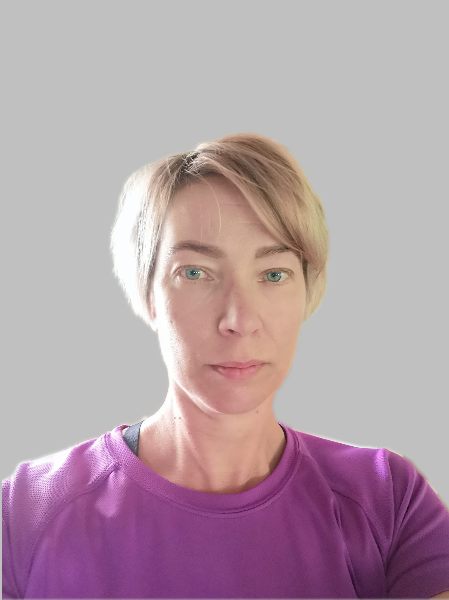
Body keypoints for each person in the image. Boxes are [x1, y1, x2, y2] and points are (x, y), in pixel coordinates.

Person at [2, 133, 449, 599]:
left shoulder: (389, 500)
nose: (239, 319)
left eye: (273, 274)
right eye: (195, 272)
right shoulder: (24, 514)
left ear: (306, 291)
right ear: (147, 293)